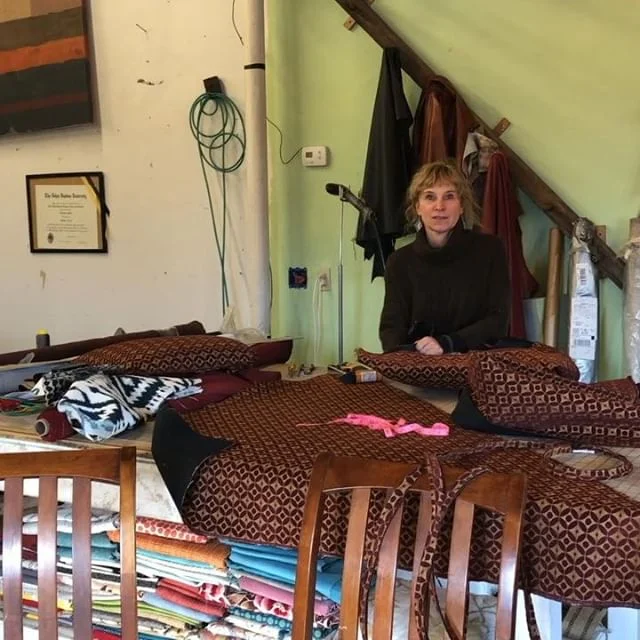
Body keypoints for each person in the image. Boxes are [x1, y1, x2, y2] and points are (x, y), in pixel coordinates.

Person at [379, 161, 510, 354]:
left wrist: (447, 343)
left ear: (462, 205)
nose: (439, 206)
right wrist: (406, 359)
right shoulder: (399, 262)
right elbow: (392, 329)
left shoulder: (490, 250)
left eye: (449, 196)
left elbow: (498, 321)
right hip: (419, 363)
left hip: (476, 362)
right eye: (430, 197)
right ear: (417, 207)